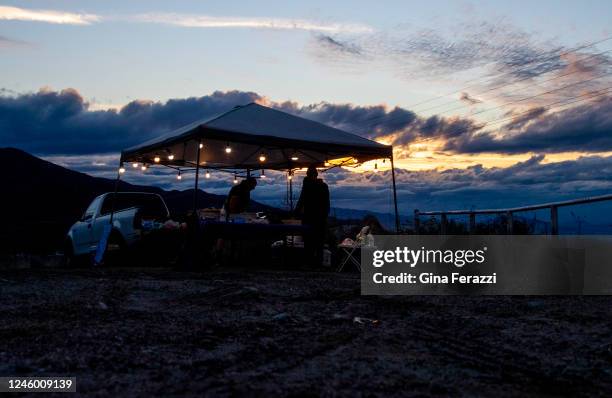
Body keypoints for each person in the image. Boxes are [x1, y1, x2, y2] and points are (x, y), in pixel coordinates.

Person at [295, 165, 330, 267]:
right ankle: (318, 264)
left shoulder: (307, 186)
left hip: (309, 218)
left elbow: (301, 201)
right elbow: (327, 204)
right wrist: (325, 216)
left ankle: (309, 263)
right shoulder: (323, 186)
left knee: (308, 243)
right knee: (319, 243)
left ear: (308, 174)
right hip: (320, 219)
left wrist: (295, 213)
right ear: (316, 174)